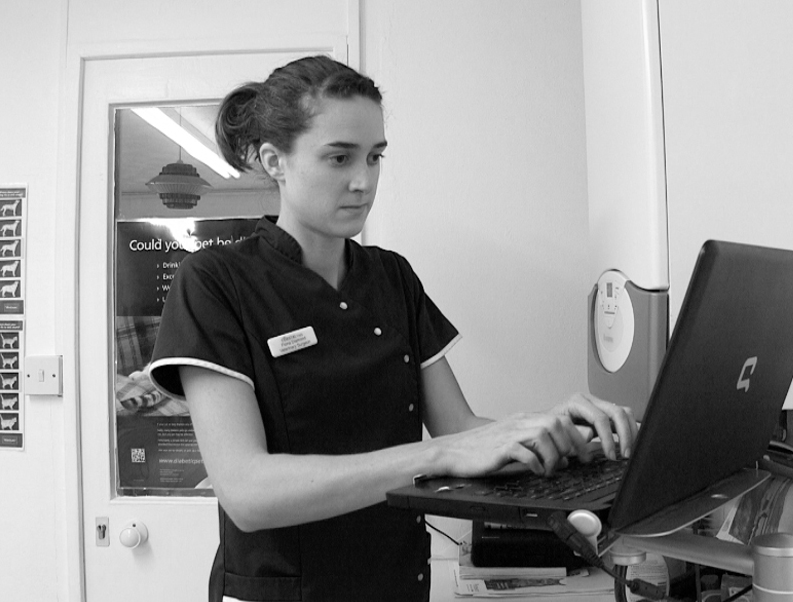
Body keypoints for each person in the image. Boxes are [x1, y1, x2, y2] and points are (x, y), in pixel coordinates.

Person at [148, 55, 637, 602]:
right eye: (339, 157)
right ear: (274, 161)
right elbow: (247, 491)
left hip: (397, 581)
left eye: (375, 157)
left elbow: (459, 429)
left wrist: (556, 434)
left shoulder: (391, 276)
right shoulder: (217, 282)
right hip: (286, 589)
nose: (363, 181)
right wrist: (434, 457)